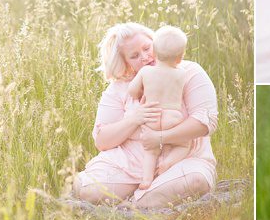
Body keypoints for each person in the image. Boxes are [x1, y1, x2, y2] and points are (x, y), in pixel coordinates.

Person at [73, 23, 219, 208]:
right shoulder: (120, 87)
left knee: (197, 181)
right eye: (134, 56)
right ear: (125, 62)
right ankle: (144, 198)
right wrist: (135, 118)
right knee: (87, 190)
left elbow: (205, 123)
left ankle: (135, 203)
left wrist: (160, 137)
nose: (145, 57)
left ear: (156, 42)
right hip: (128, 165)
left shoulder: (188, 72)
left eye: (147, 48)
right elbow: (102, 141)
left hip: (184, 161)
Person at [127, 25, 192, 190]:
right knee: (184, 145)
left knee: (151, 150)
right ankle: (167, 163)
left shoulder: (146, 72)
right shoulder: (182, 73)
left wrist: (141, 92)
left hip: (152, 115)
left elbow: (132, 91)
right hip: (172, 115)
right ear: (180, 58)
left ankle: (146, 180)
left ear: (154, 53)